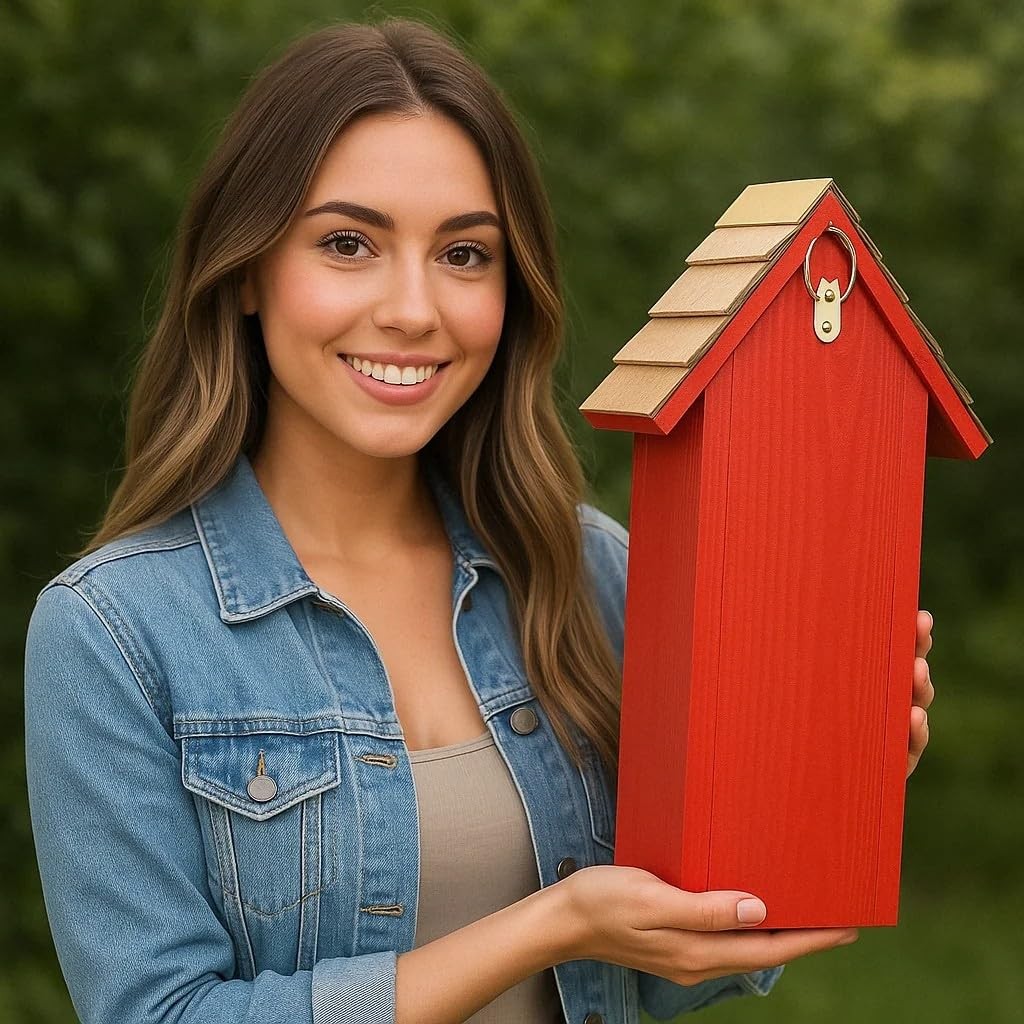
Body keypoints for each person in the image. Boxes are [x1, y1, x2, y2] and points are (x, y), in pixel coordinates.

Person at [22, 16, 936, 1024]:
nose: (414, 308)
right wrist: (550, 923)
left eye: (463, 254)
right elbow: (158, 1012)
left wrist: (806, 777)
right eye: (347, 243)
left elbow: (669, 961)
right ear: (246, 269)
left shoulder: (588, 574)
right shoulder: (116, 630)